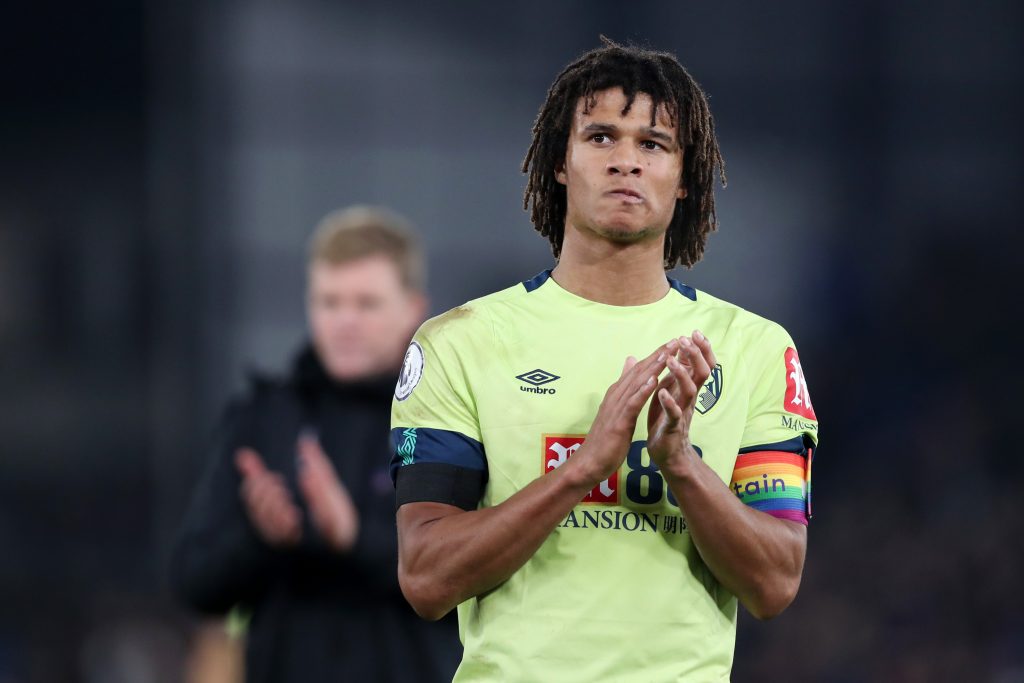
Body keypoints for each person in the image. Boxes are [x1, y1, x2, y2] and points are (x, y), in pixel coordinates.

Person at [390, 38, 820, 681]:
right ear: (560, 163)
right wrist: (582, 468)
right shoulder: (461, 343)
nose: (626, 162)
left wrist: (679, 465)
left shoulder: (755, 349)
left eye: (653, 144)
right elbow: (425, 577)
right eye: (600, 138)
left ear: (684, 177)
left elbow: (775, 582)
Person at [171, 206, 462, 683]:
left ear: (414, 308)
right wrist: (260, 539)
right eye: (329, 302)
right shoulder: (262, 420)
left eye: (366, 303)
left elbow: (476, 577)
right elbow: (193, 583)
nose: (344, 321)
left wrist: (354, 538)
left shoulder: (448, 421)